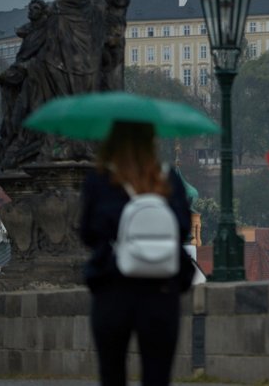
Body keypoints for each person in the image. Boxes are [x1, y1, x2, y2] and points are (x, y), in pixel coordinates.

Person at [79, 121, 195, 386]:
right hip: (161, 289)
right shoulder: (168, 179)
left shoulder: (100, 180)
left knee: (112, 374)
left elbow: (87, 233)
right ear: (151, 142)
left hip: (113, 287)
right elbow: (183, 228)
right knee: (157, 376)